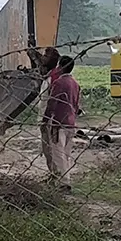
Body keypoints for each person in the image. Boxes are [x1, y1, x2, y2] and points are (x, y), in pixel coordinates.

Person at [41, 54, 82, 189]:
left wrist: (45, 119)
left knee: (57, 153)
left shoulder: (58, 83)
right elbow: (76, 105)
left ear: (61, 67)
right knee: (66, 153)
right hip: (71, 122)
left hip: (58, 123)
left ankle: (64, 181)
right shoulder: (75, 84)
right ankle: (65, 178)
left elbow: (52, 103)